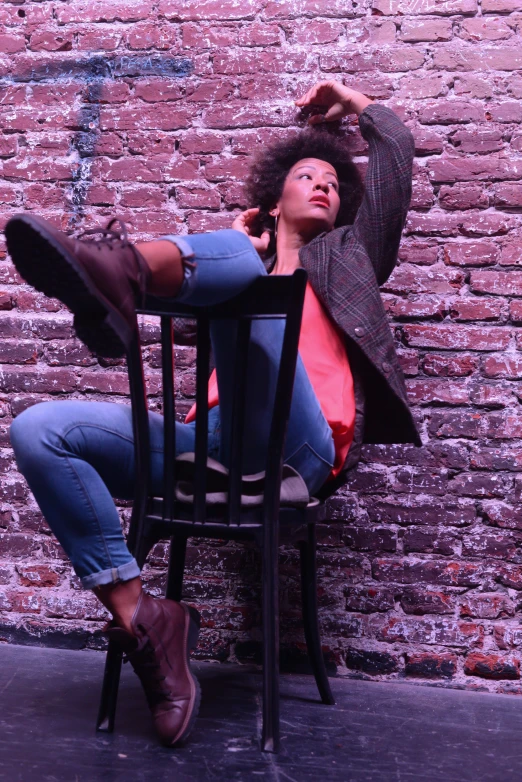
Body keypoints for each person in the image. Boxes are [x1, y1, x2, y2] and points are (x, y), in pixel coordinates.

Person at [6, 80, 419, 747]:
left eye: (333, 184)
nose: (322, 186)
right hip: (212, 448)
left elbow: (396, 150)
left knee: (244, 277)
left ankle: (122, 271)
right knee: (38, 431)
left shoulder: (351, 257)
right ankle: (147, 618)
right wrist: (239, 252)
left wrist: (352, 102)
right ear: (272, 197)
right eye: (305, 175)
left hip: (296, 451)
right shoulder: (236, 255)